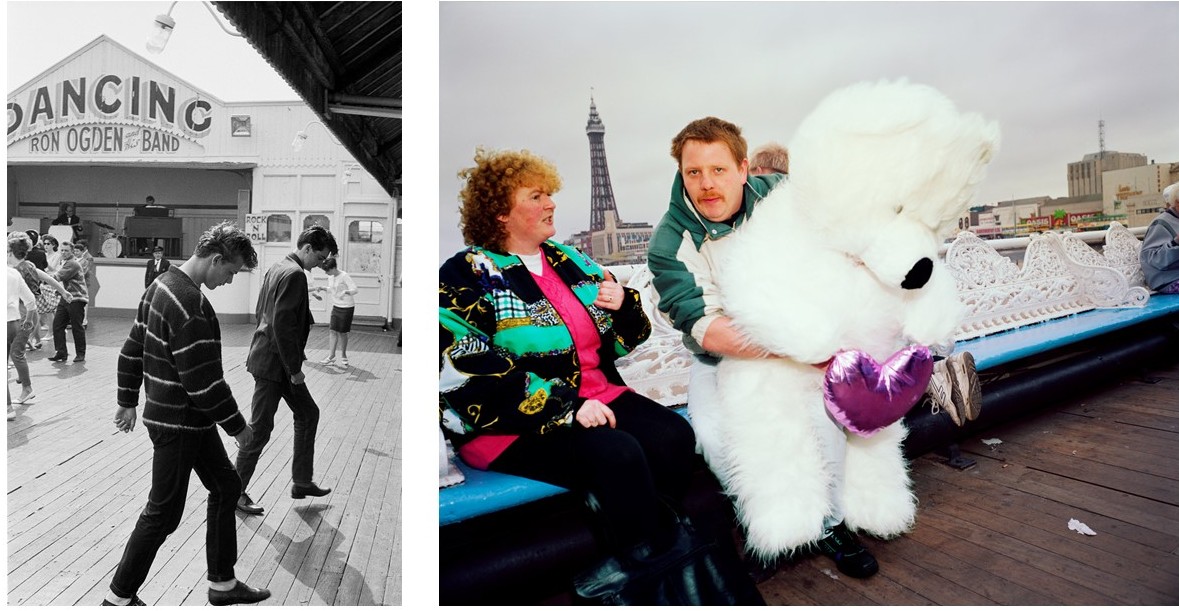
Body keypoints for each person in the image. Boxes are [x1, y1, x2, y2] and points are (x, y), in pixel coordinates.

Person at [646, 117, 979, 580]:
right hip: (730, 356)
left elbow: (853, 222)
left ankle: (832, 526)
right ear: (680, 174)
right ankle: (774, 524)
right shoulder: (669, 241)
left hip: (814, 338)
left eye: (718, 170)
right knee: (713, 437)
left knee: (825, 415)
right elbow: (711, 332)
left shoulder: (783, 193)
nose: (706, 185)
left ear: (744, 168)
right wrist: (800, 347)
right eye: (693, 173)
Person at [439, 149, 702, 594]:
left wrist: (624, 305)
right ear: (501, 213)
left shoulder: (569, 261)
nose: (551, 203)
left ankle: (637, 557)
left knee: (674, 437)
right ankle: (655, 574)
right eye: (536, 196)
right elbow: (464, 373)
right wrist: (566, 407)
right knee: (616, 453)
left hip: (598, 395)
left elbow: (623, 340)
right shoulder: (467, 275)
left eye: (549, 194)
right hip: (510, 423)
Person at [103, 222, 269, 606]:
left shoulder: (159, 285)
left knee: (227, 488)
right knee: (162, 514)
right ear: (215, 259)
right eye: (230, 272)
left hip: (185, 420)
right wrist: (239, 429)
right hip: (179, 424)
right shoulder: (191, 306)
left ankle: (222, 585)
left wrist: (127, 399)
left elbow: (131, 349)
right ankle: (118, 598)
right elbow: (204, 384)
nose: (229, 281)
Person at [234, 225, 338, 515]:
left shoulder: (276, 268)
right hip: (275, 365)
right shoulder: (294, 275)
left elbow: (260, 312)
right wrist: (294, 370)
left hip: (269, 358)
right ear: (306, 249)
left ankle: (302, 481)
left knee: (308, 413)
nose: (321, 263)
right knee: (260, 429)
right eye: (319, 256)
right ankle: (234, 491)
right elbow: (283, 325)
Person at [9, 233, 70, 358]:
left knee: (16, 348)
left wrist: (63, 292)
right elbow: (47, 277)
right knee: (18, 348)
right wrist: (63, 291)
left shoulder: (17, 269)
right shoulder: (28, 266)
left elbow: (46, 277)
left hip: (21, 310)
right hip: (29, 308)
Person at [8, 237, 38, 420]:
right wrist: (28, 320)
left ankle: (8, 407)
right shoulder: (16, 272)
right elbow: (31, 300)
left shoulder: (16, 269)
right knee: (16, 354)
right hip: (14, 321)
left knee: (16, 355)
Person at [48, 242, 88, 363]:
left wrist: (41, 277)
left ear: (72, 251)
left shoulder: (72, 264)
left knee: (77, 327)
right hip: (66, 298)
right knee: (57, 325)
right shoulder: (65, 263)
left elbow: (58, 277)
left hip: (77, 299)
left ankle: (80, 353)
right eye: (62, 250)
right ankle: (61, 352)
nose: (64, 253)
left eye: (66, 250)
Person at [318, 257, 358, 368]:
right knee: (332, 330)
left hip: (346, 307)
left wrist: (345, 291)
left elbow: (355, 289)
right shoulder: (331, 277)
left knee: (342, 332)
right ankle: (331, 356)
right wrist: (323, 288)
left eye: (327, 270)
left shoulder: (344, 276)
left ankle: (344, 355)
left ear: (334, 268)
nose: (326, 273)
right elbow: (332, 289)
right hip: (336, 306)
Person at [1141, 182, 1179, 294]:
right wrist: (1176, 243)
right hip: (1168, 280)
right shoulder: (1161, 224)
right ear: (1177, 203)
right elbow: (1154, 260)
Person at [76, 239, 98, 327]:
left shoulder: (89, 257)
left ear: (84, 248)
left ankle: (84, 321)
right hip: (76, 282)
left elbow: (86, 270)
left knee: (83, 302)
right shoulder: (76, 257)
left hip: (83, 282)